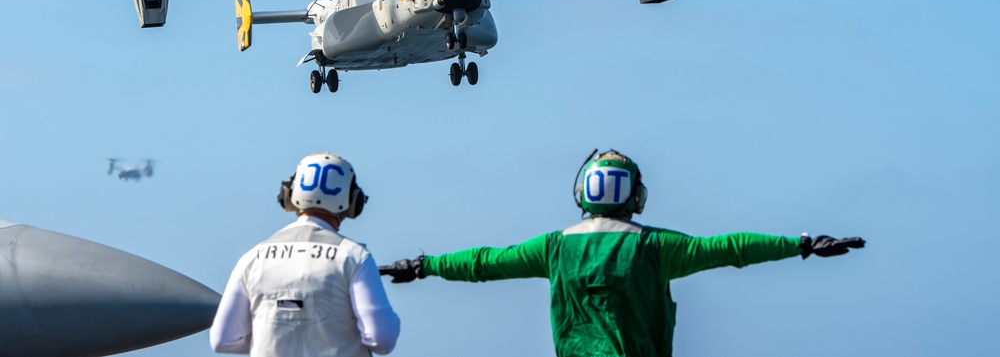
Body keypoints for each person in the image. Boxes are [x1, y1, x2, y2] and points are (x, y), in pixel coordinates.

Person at [380, 149, 864, 357]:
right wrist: (801, 244)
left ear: (582, 194)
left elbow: (485, 263)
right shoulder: (654, 247)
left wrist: (424, 266)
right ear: (637, 196)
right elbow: (730, 249)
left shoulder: (554, 248)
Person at [211, 153, 400, 356]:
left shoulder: (252, 258)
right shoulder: (355, 258)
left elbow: (223, 340)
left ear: (289, 195)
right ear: (354, 201)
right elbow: (382, 340)